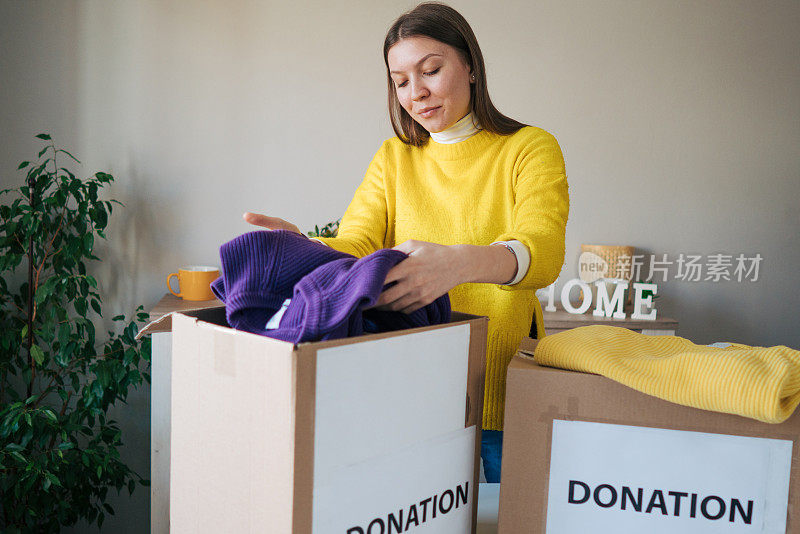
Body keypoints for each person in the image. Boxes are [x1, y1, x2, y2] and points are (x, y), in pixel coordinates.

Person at [244, 1, 569, 483]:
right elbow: (356, 241)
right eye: (400, 81)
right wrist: (304, 250)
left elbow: (540, 250)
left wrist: (461, 263)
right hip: (415, 383)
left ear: (471, 67)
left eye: (431, 71)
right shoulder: (394, 157)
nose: (416, 93)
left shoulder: (528, 147)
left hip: (503, 384)